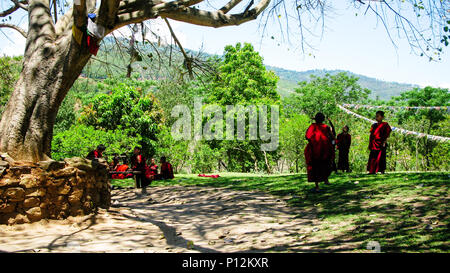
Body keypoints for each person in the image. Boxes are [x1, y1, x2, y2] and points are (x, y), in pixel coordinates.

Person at [304, 113, 334, 192]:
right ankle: (326, 180)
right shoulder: (326, 127)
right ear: (323, 119)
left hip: (315, 150)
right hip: (325, 150)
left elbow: (307, 136)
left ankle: (317, 186)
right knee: (325, 164)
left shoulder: (312, 126)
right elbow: (332, 137)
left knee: (315, 167)